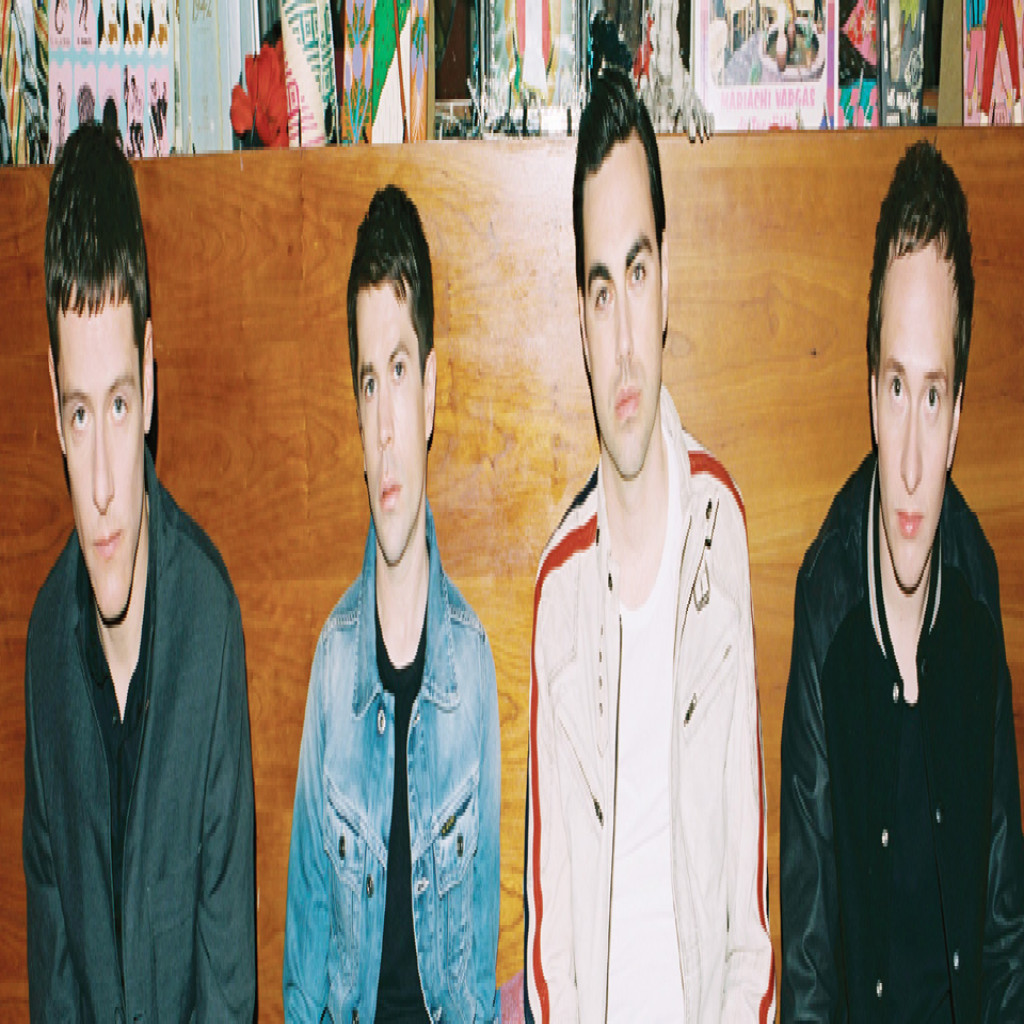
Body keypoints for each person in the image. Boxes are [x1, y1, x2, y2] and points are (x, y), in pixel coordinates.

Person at [524, 66, 776, 1023]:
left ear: (667, 279)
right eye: (601, 292)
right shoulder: (559, 589)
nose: (626, 338)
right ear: (581, 325)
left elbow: (749, 932)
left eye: (637, 274)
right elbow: (548, 955)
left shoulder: (720, 529)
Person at [780, 139, 1024, 1021]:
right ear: (869, 395)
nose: (913, 462)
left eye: (932, 394)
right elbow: (808, 964)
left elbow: (1004, 930)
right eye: (895, 387)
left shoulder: (978, 588)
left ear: (956, 417)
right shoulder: (827, 603)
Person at [24, 121, 256, 1019]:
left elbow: (227, 988)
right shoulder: (46, 647)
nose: (103, 486)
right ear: (54, 408)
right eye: (80, 414)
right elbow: (55, 983)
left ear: (150, 381)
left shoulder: (209, 621)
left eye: (119, 405)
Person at [283, 185, 501, 1023]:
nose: (384, 426)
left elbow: (474, 990)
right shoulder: (333, 665)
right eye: (368, 383)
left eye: (400, 372)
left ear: (432, 390)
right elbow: (305, 976)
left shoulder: (471, 665)